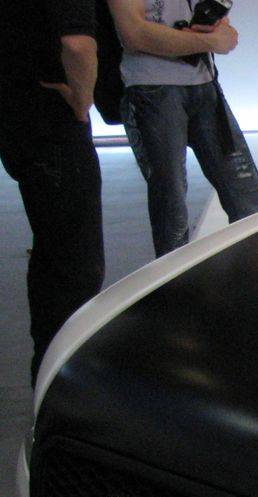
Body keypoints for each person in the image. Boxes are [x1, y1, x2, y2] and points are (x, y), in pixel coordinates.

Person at [107, 0, 258, 257]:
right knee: (172, 214)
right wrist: (209, 41)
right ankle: (175, 282)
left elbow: (215, 26)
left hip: (203, 84)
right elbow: (134, 33)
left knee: (250, 203)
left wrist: (215, 31)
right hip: (153, 89)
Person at [0, 0, 106, 385]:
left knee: (53, 257)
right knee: (73, 269)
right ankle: (61, 386)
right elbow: (77, 44)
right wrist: (82, 101)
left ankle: (49, 378)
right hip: (52, 120)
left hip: (18, 114)